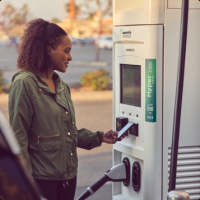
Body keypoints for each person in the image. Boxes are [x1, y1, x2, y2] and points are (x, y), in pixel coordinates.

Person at [8, 18, 122, 200]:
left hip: (68, 178)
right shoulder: (24, 83)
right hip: (41, 180)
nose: (70, 57)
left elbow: (68, 133)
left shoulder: (61, 86)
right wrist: (25, 184)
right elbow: (18, 137)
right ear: (48, 50)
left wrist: (99, 137)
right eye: (66, 51)